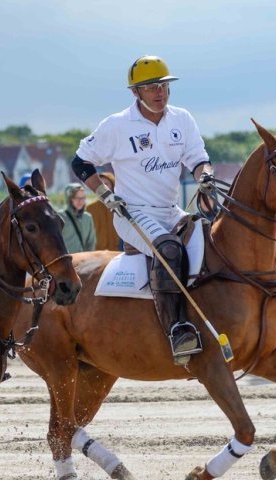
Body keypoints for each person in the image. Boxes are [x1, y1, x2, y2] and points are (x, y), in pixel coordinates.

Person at [71, 55, 214, 366]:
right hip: (131, 213)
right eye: (150, 87)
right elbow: (80, 162)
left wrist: (205, 176)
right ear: (135, 93)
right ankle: (177, 330)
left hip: (169, 209)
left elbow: (198, 158)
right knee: (168, 250)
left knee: (210, 238)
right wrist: (104, 194)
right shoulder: (117, 125)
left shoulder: (182, 119)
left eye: (162, 85)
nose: (159, 92)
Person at [86, 171, 122, 251]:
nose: (103, 187)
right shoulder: (90, 209)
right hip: (98, 254)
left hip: (119, 252)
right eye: (101, 185)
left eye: (106, 184)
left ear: (113, 185)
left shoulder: (120, 206)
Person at [58, 183, 96, 253]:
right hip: (67, 260)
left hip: (83, 260)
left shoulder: (88, 217)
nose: (80, 201)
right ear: (70, 199)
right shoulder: (60, 216)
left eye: (82, 198)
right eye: (76, 198)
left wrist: (88, 258)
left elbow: (91, 241)